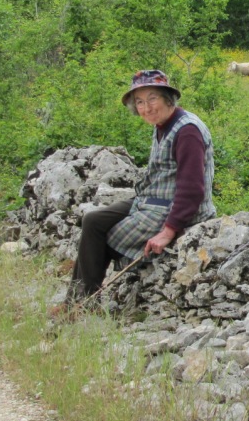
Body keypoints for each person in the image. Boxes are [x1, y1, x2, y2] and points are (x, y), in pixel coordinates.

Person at [53, 69, 215, 316]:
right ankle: (76, 298)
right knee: (93, 220)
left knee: (109, 235)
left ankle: (83, 304)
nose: (146, 107)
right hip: (153, 201)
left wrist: (168, 231)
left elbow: (192, 189)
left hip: (178, 210)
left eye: (152, 98)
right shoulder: (162, 125)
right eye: (139, 102)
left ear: (167, 99)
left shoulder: (187, 131)